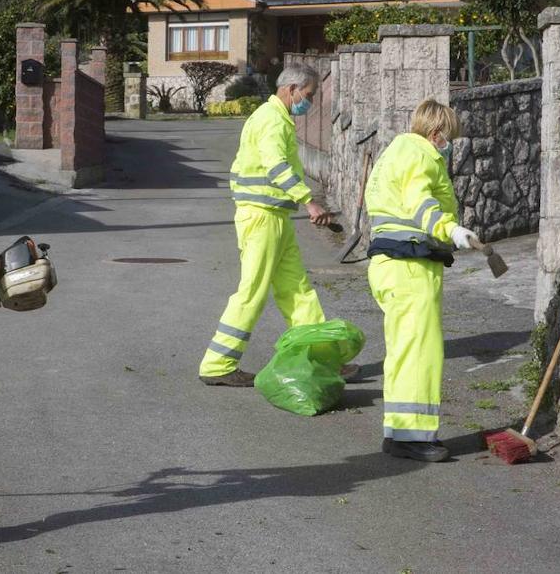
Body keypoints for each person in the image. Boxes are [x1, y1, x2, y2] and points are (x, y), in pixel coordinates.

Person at [198, 63, 348, 387]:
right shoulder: (271, 120)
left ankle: (322, 358)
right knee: (251, 291)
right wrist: (308, 201)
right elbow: (276, 166)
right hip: (262, 217)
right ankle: (218, 364)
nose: (308, 102)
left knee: (298, 291)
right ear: (291, 89)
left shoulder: (278, 118)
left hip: (274, 217)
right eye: (308, 95)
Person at [364, 99, 480, 463]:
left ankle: (399, 432)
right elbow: (420, 203)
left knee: (403, 351)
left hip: (390, 263)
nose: (448, 147)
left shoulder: (394, 153)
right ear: (436, 134)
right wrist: (452, 229)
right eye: (448, 139)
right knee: (419, 352)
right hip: (410, 265)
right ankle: (411, 438)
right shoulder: (420, 155)